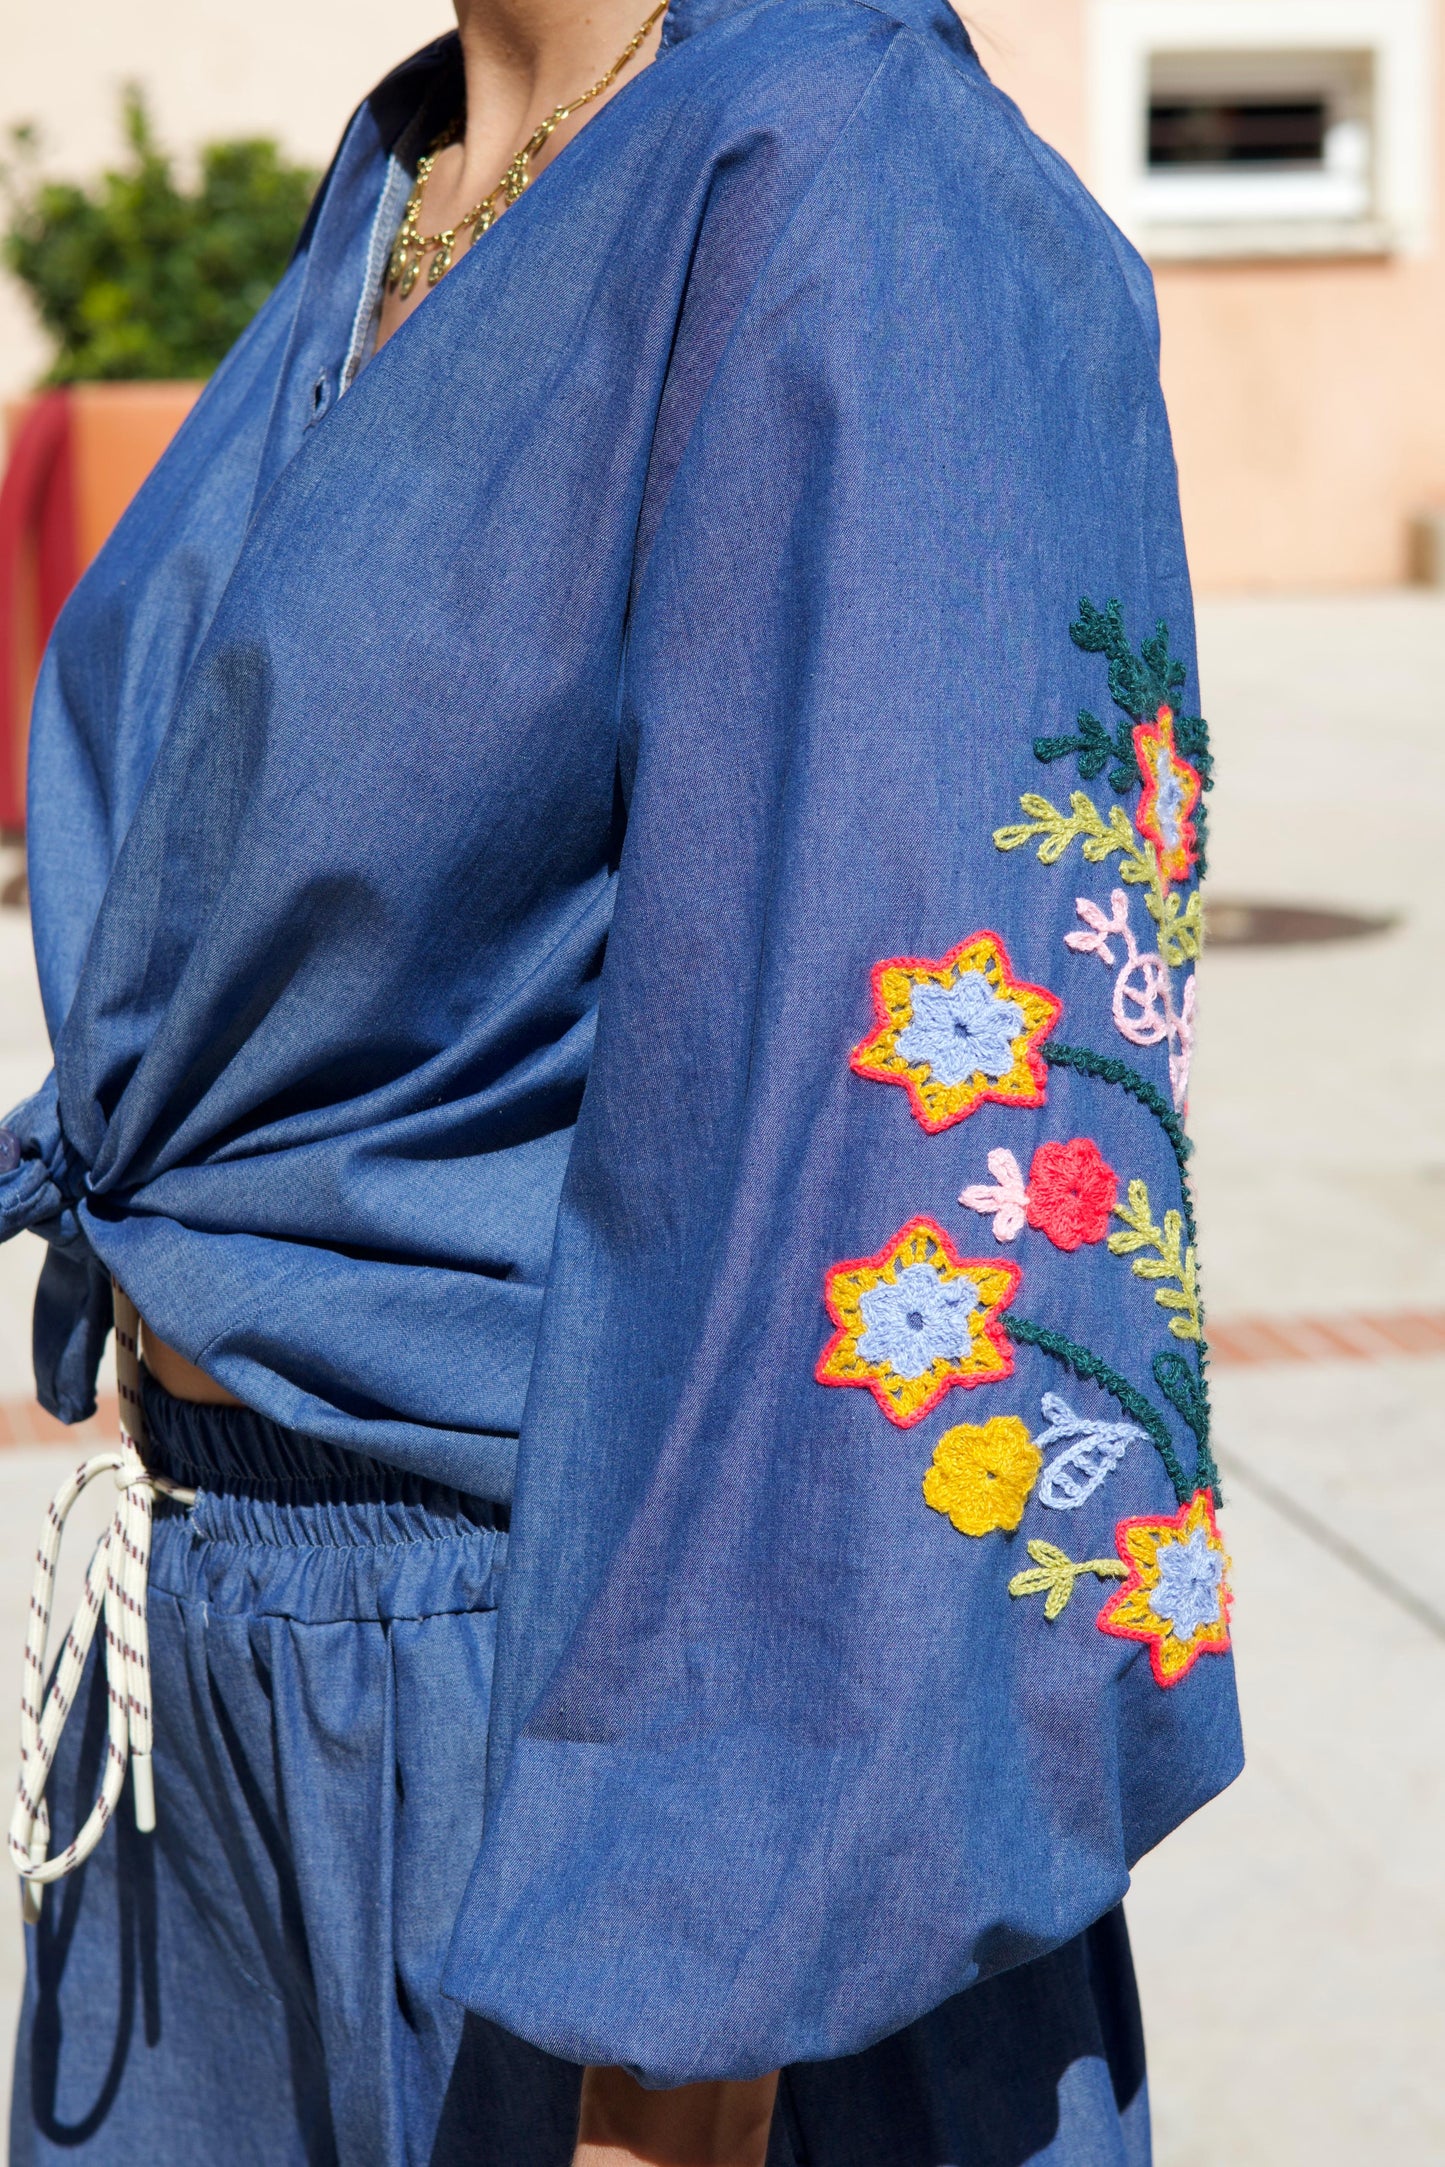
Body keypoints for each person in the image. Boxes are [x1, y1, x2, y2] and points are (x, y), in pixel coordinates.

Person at [0, 0, 1243, 2154]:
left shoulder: (850, 175)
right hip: (235, 1704)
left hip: (592, 1819)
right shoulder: (421, 163)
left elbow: (883, 1164)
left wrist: (672, 2055)